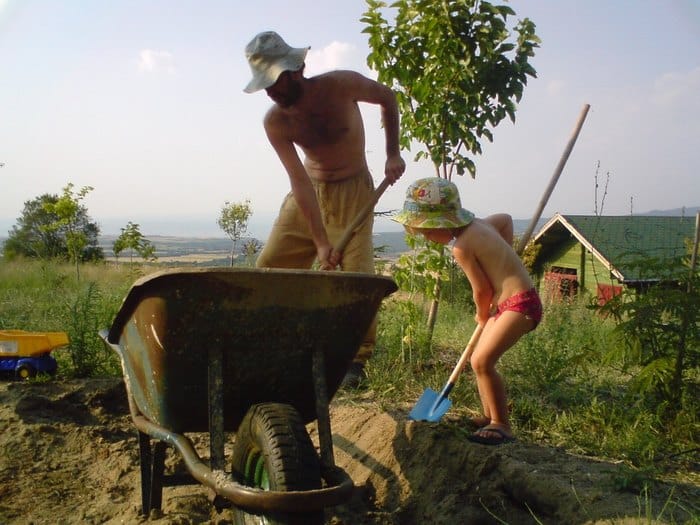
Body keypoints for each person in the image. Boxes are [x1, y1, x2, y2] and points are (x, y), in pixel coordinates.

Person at [243, 31, 406, 388]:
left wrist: (393, 152)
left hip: (353, 193)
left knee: (358, 281)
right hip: (307, 196)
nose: (270, 92)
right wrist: (319, 241)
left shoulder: (341, 85)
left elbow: (388, 98)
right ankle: (270, 347)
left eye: (274, 82)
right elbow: (299, 181)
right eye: (264, 85)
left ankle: (354, 362)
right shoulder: (276, 122)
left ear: (296, 69)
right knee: (268, 270)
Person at [393, 177, 542, 445]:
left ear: (442, 223)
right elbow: (506, 220)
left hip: (521, 304)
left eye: (427, 232)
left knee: (482, 362)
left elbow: (481, 291)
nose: (427, 238)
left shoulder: (461, 248)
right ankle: (488, 415)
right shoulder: (482, 224)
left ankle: (501, 424)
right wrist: (505, 257)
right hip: (513, 301)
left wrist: (482, 313)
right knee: (476, 358)